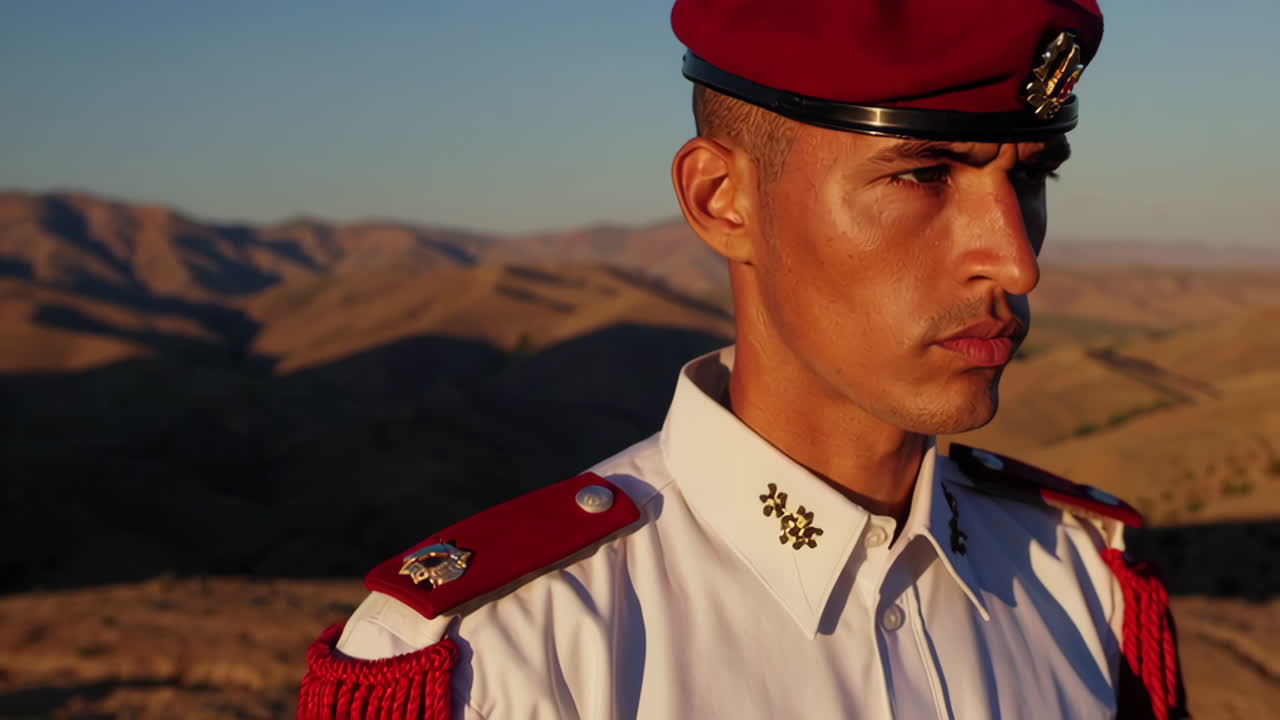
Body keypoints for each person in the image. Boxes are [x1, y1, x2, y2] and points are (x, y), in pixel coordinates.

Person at [299, 1, 1187, 718]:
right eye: (921, 175)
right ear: (723, 199)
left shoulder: (1082, 582)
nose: (1016, 259)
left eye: (1030, 178)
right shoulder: (499, 661)